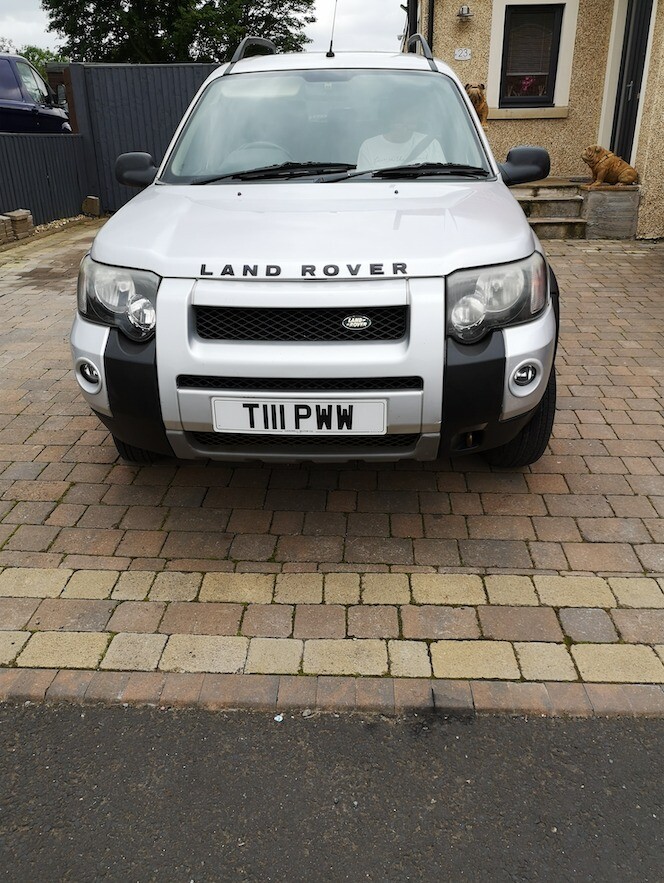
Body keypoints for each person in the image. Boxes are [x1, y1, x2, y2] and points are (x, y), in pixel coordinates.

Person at [356, 103, 446, 171]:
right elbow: (364, 184)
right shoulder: (370, 147)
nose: (405, 127)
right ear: (390, 121)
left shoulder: (430, 144)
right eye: (400, 122)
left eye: (410, 122)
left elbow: (441, 176)